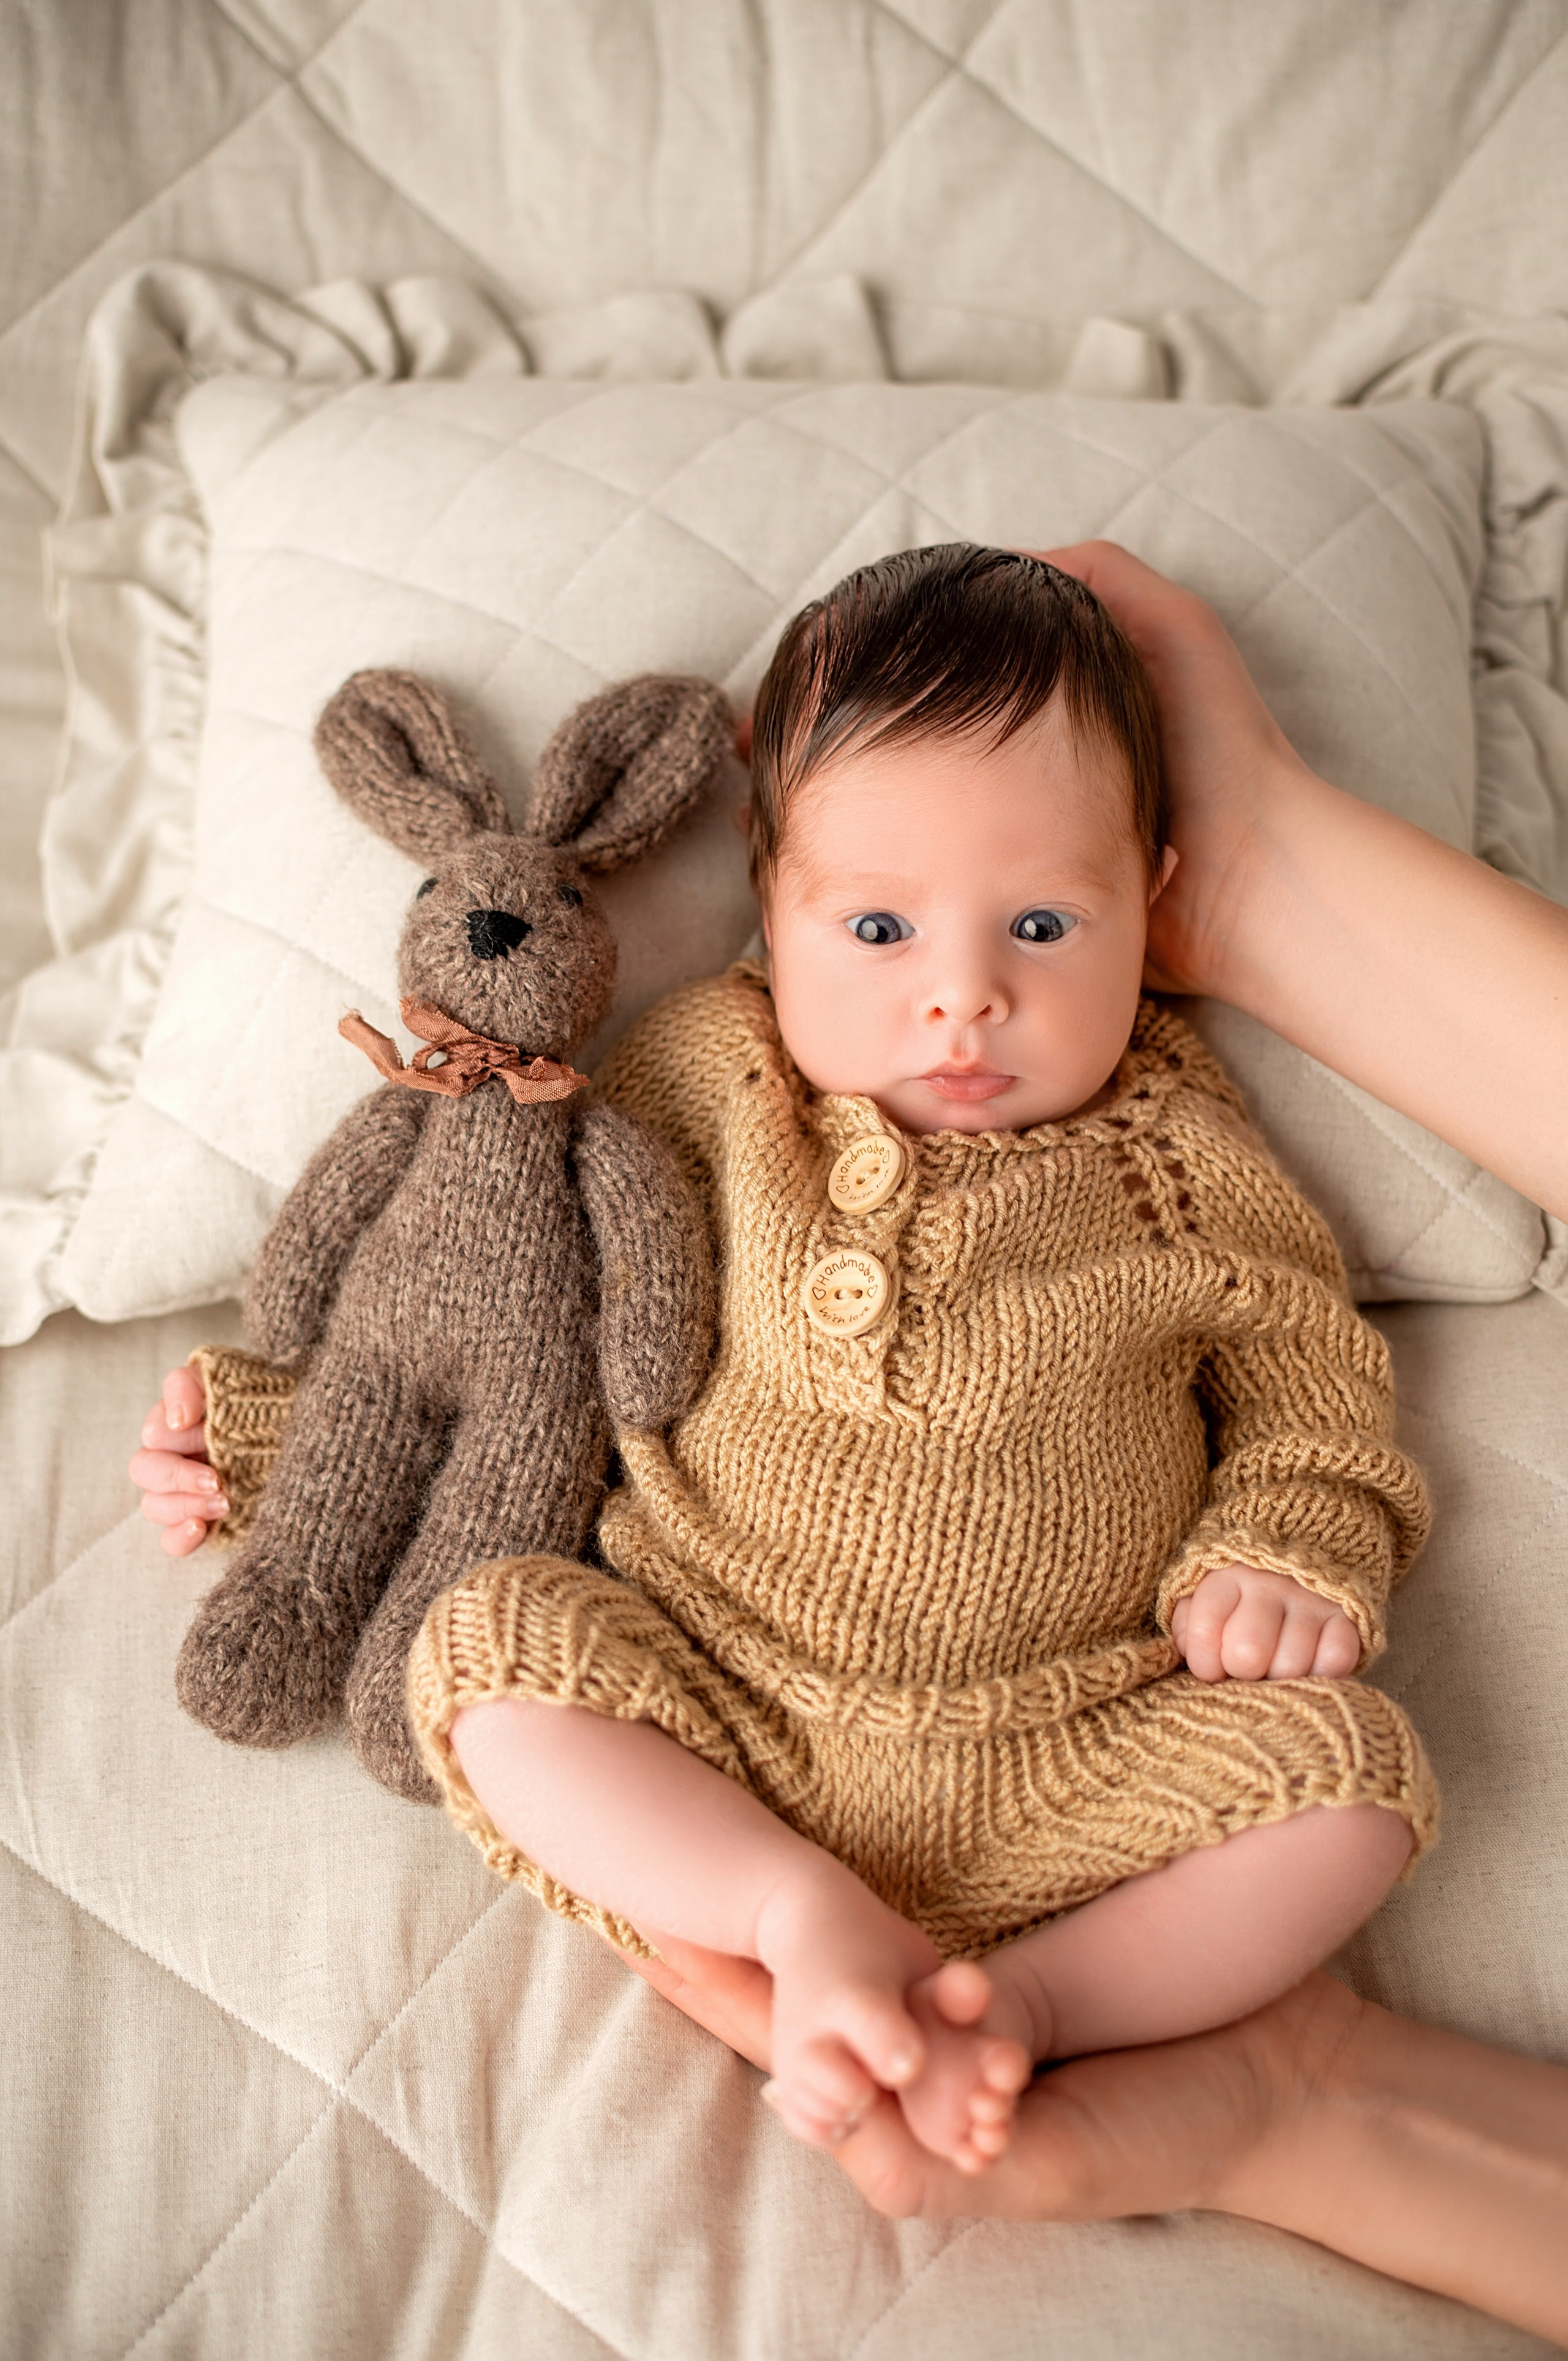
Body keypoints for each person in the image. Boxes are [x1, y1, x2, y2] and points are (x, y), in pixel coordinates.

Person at [132, 543, 1568, 2335]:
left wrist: (1287, 1547)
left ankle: (1030, 2008)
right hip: (727, 1696)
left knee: (1350, 1779)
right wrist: (285, 1440)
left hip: (1073, 1744)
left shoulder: (1176, 1155)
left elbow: (1307, 1381)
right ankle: (800, 1915)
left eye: (1042, 926)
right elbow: (517, 1316)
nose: (961, 996)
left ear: (1158, 899)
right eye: (877, 929)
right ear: (771, 905)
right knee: (489, 1648)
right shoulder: (693, 1083)